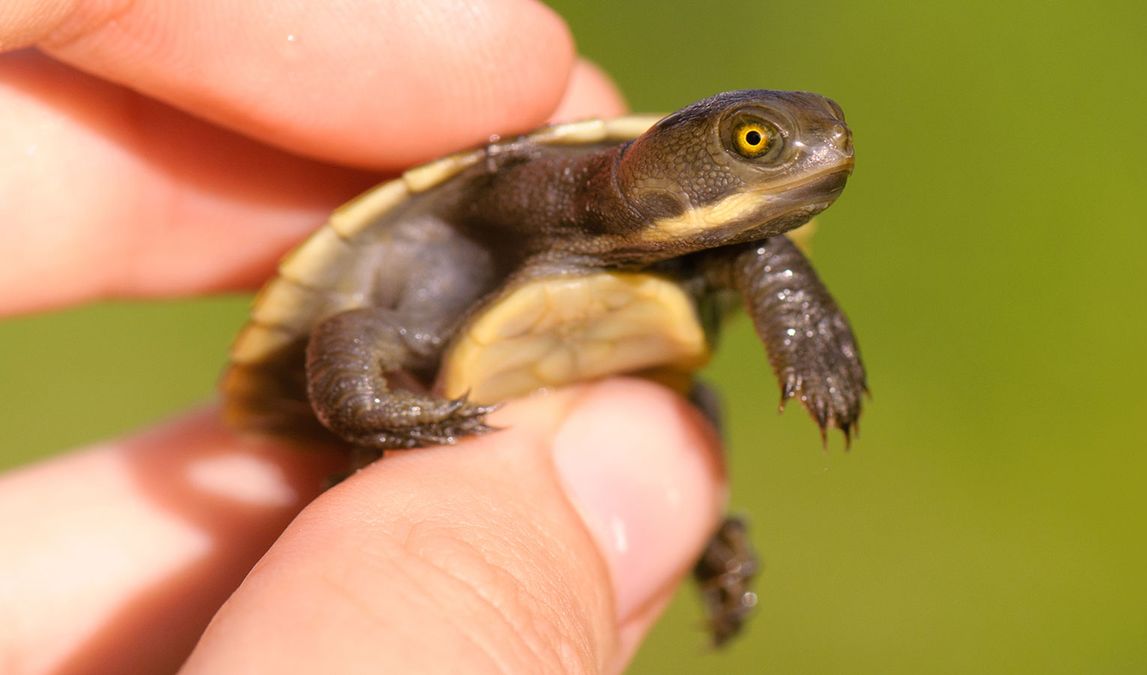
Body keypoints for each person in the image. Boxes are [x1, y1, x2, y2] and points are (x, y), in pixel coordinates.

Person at [0, 2, 726, 672]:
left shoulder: (726, 241)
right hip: (440, 330)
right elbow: (351, 327)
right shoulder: (483, 228)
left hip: (610, 366)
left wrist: (808, 333)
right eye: (752, 140)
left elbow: (761, 258)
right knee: (370, 447)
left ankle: (710, 531)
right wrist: (364, 406)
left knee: (693, 421)